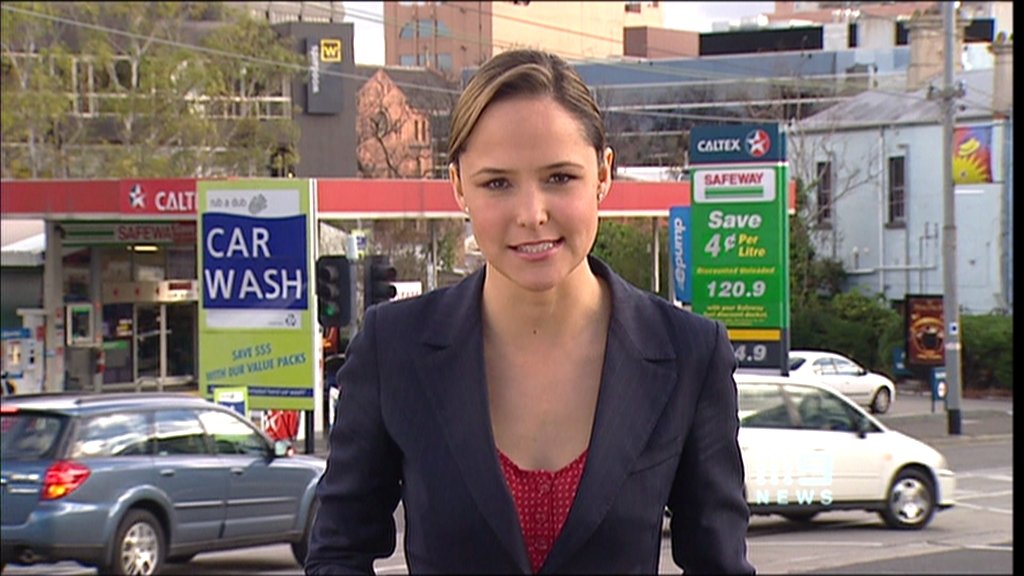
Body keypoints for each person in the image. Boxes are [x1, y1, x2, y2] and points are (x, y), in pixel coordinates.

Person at [305, 49, 754, 575]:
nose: (531, 214)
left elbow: (719, 563)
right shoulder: (394, 347)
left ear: (603, 174)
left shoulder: (688, 354)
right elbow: (337, 552)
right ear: (459, 186)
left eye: (560, 178)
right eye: (497, 183)